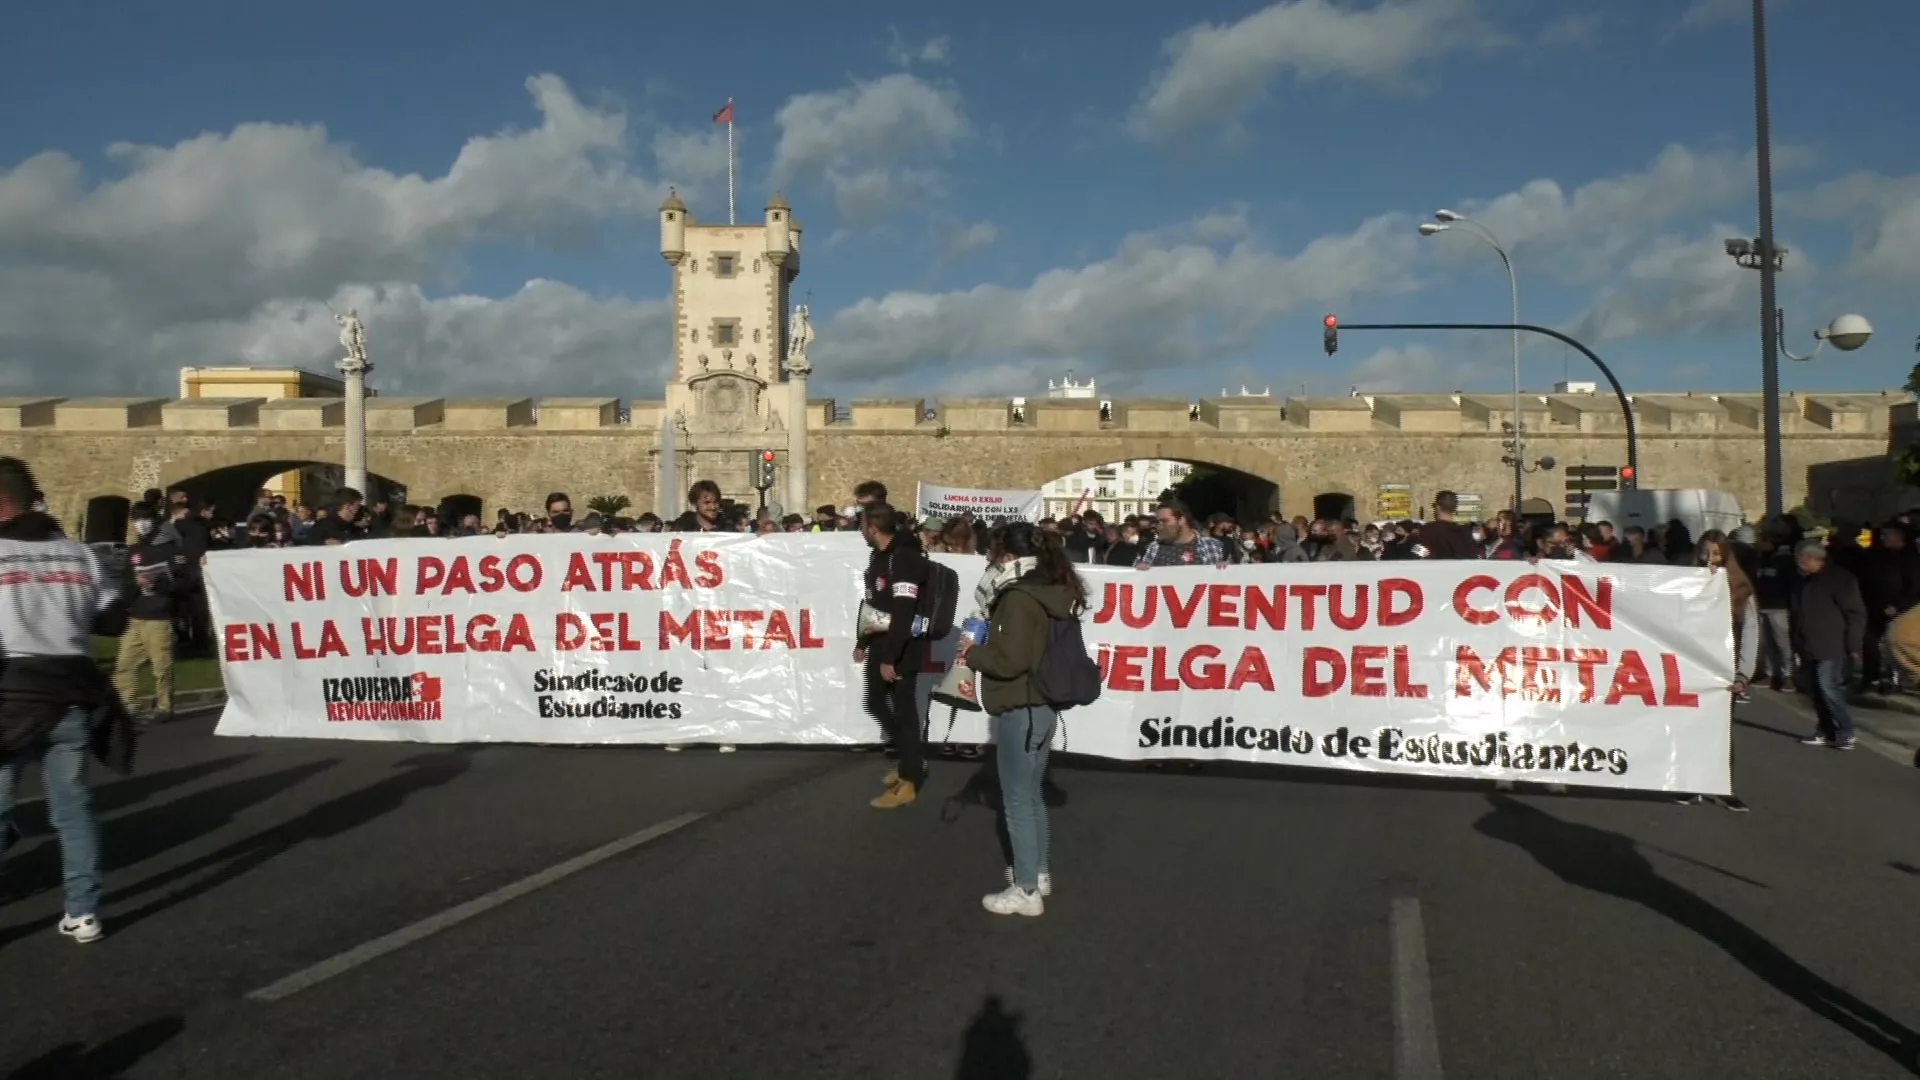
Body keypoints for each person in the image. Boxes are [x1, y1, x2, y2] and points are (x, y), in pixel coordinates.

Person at [0, 457, 126, 944]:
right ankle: (83, 911)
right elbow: (113, 619)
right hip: (73, 692)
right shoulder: (79, 555)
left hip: (11, 697)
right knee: (73, 811)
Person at [959, 522, 1084, 917]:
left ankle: (1026, 889)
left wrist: (971, 653)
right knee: (1031, 795)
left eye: (994, 555)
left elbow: (1010, 660)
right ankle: (1037, 873)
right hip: (1042, 704)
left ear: (1008, 556)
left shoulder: (1017, 597)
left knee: (1017, 800)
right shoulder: (1053, 589)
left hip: (1020, 703)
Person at [857, 502, 931, 809]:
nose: (860, 530)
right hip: (881, 642)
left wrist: (891, 657)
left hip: (901, 647)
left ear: (873, 528)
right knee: (874, 701)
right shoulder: (880, 556)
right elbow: (875, 604)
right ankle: (910, 759)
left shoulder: (904, 558)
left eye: (862, 524)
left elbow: (903, 610)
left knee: (904, 711)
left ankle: (909, 779)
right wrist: (862, 640)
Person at [1676, 535, 1754, 811]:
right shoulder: (1684, 583)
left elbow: (1751, 633)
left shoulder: (1740, 588)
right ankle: (1691, 784)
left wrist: (1744, 673)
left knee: (1720, 731)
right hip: (1690, 668)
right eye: (1705, 553)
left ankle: (1723, 786)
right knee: (1689, 727)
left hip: (1724, 670)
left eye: (1716, 554)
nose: (1710, 558)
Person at [1790, 539, 1865, 750]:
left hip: (1832, 643)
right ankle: (1825, 729)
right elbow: (1797, 612)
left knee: (1828, 687)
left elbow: (1855, 614)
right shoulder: (1803, 581)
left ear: (1816, 559)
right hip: (1807, 643)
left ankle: (1846, 731)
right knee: (1815, 690)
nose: (1799, 564)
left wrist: (1854, 645)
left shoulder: (1840, 579)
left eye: (1802, 560)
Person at [115, 507, 181, 726]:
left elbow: (184, 582)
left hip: (158, 616)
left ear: (154, 521)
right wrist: (136, 583)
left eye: (145, 519)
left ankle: (164, 706)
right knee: (125, 664)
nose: (141, 523)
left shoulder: (169, 549)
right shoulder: (133, 549)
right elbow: (124, 582)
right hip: (135, 616)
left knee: (161, 666)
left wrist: (159, 583)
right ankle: (129, 706)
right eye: (136, 519)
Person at [1410, 491, 1481, 559]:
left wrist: (1410, 540)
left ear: (1437, 507)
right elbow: (1475, 556)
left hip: (1435, 570)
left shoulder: (1426, 530)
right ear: (1454, 509)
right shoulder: (1466, 533)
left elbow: (1417, 555)